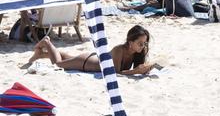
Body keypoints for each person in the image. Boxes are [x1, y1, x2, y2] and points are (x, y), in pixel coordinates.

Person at [26, 26, 154, 75]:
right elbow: (115, 73)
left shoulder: (138, 52)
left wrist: (145, 68)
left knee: (67, 58)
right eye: (140, 43)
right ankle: (47, 42)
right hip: (87, 63)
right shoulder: (119, 50)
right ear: (130, 42)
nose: (143, 46)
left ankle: (41, 54)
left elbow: (136, 68)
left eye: (144, 43)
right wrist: (135, 71)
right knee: (58, 64)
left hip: (93, 58)